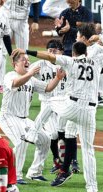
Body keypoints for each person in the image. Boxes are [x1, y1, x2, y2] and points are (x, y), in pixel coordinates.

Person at [23, 37, 103, 192]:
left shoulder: (71, 61)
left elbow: (50, 57)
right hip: (89, 112)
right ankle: (92, 190)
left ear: (74, 53)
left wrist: (27, 51)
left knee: (51, 102)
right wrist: (102, 40)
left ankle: (32, 134)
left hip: (72, 107)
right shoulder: (96, 62)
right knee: (89, 151)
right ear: (86, 52)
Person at [0, 49, 63, 184]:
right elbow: (16, 83)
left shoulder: (31, 79)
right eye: (23, 60)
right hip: (8, 117)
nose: (27, 62)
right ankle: (15, 175)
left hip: (24, 119)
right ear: (15, 63)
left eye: (28, 60)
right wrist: (29, 74)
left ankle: (35, 172)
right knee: (21, 141)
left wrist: (57, 78)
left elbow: (47, 88)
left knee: (45, 139)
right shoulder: (10, 76)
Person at [23, 39, 68, 174]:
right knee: (53, 133)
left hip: (63, 103)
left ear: (61, 51)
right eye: (49, 50)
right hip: (47, 101)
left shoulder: (66, 63)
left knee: (63, 133)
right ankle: (57, 159)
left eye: (55, 50)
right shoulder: (39, 64)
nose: (52, 53)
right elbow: (25, 76)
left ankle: (64, 161)